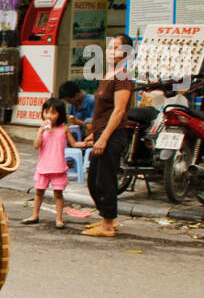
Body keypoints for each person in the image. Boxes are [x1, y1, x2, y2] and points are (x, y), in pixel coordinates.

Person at [82, 34, 134, 237]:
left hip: (113, 135)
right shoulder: (110, 75)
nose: (111, 51)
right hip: (101, 133)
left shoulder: (122, 77)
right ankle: (108, 218)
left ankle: (108, 225)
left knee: (104, 180)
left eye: (116, 48)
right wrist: (93, 135)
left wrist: (103, 138)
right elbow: (102, 112)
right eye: (110, 47)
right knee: (94, 179)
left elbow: (119, 111)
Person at [23, 98, 87, 229]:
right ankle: (35, 215)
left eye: (53, 113)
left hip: (58, 167)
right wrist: (40, 132)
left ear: (60, 114)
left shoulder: (64, 129)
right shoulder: (42, 128)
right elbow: (36, 146)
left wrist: (86, 144)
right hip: (43, 166)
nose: (49, 116)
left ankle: (59, 219)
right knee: (39, 192)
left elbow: (74, 143)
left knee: (58, 194)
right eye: (46, 112)